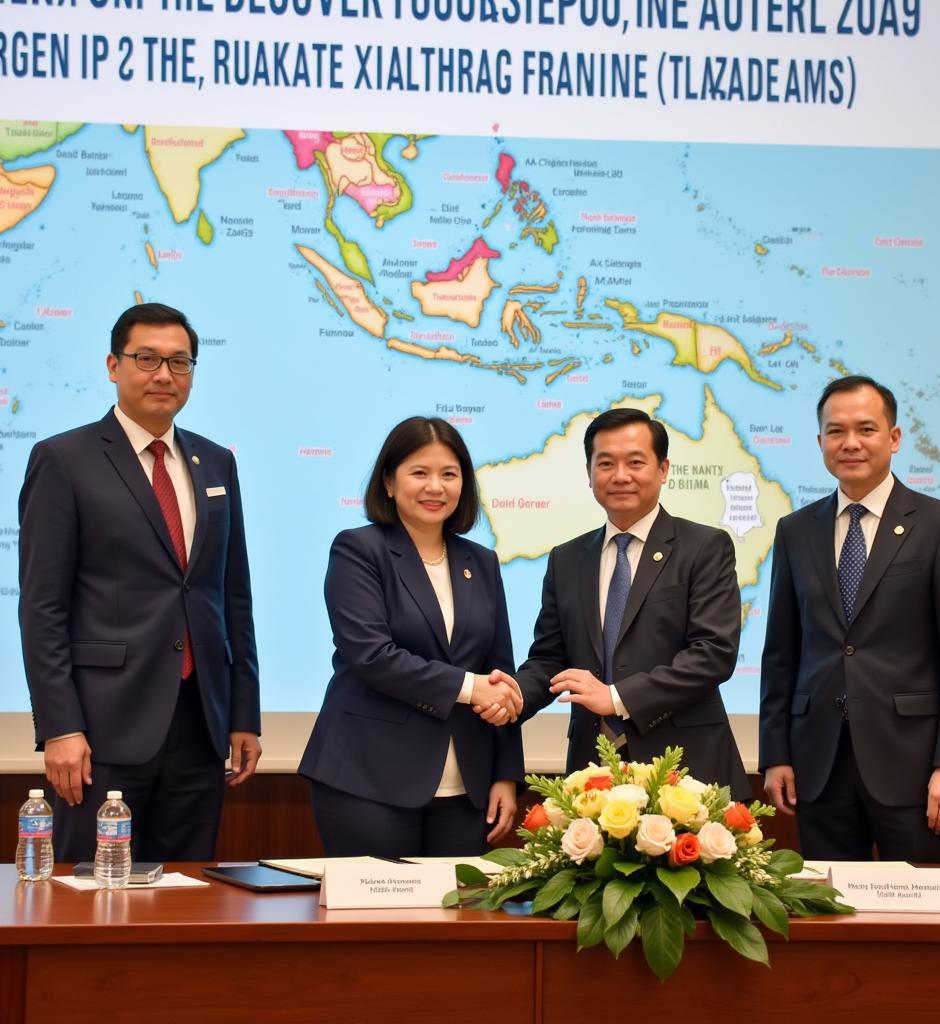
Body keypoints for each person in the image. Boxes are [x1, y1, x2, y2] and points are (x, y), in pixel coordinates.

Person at [18, 302, 261, 862]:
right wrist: (59, 727)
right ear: (113, 365)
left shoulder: (216, 462)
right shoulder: (64, 459)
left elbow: (233, 597)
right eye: (146, 359)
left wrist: (243, 713)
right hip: (101, 729)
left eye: (180, 362)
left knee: (186, 900)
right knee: (87, 899)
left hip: (200, 725)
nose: (163, 375)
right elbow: (42, 608)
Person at [759, 375, 940, 861]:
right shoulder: (796, 531)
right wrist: (775, 753)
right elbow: (782, 653)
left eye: (866, 429)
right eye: (836, 432)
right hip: (818, 765)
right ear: (820, 442)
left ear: (894, 438)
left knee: (923, 920)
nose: (851, 443)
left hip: (916, 767)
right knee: (832, 920)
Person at [493, 407, 748, 797]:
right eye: (606, 463)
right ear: (589, 473)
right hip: (591, 777)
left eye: (635, 462)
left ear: (663, 469)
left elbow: (713, 653)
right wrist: (512, 696)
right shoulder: (568, 558)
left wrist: (615, 697)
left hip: (688, 773)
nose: (620, 476)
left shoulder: (704, 547)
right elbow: (551, 658)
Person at [299, 417, 524, 857]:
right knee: (376, 924)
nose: (434, 487)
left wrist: (505, 774)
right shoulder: (358, 550)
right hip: (369, 777)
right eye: (419, 472)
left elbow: (500, 672)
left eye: (449, 474)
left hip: (467, 789)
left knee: (457, 920)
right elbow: (372, 656)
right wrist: (469, 686)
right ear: (388, 481)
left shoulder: (481, 561)